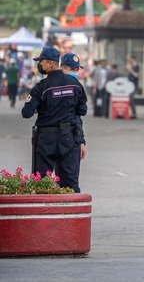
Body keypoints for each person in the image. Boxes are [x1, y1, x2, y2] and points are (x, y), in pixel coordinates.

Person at [21, 47, 87, 192]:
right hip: (68, 138)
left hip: (46, 139)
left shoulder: (41, 87)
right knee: (70, 183)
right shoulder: (76, 85)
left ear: (50, 64)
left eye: (41, 62)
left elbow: (26, 112)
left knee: (42, 183)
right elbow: (82, 111)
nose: (39, 65)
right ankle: (71, 213)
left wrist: (43, 108)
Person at [60, 53, 88, 164]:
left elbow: (79, 116)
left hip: (70, 135)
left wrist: (80, 142)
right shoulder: (52, 84)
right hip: (55, 138)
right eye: (72, 69)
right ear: (62, 68)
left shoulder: (77, 87)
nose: (75, 72)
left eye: (77, 69)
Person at [126, 54, 140, 119]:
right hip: (129, 84)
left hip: (133, 85)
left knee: (131, 98)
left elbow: (136, 75)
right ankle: (131, 112)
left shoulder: (136, 66)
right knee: (129, 98)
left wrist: (130, 70)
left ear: (132, 58)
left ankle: (134, 113)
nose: (128, 60)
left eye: (129, 59)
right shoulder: (132, 66)